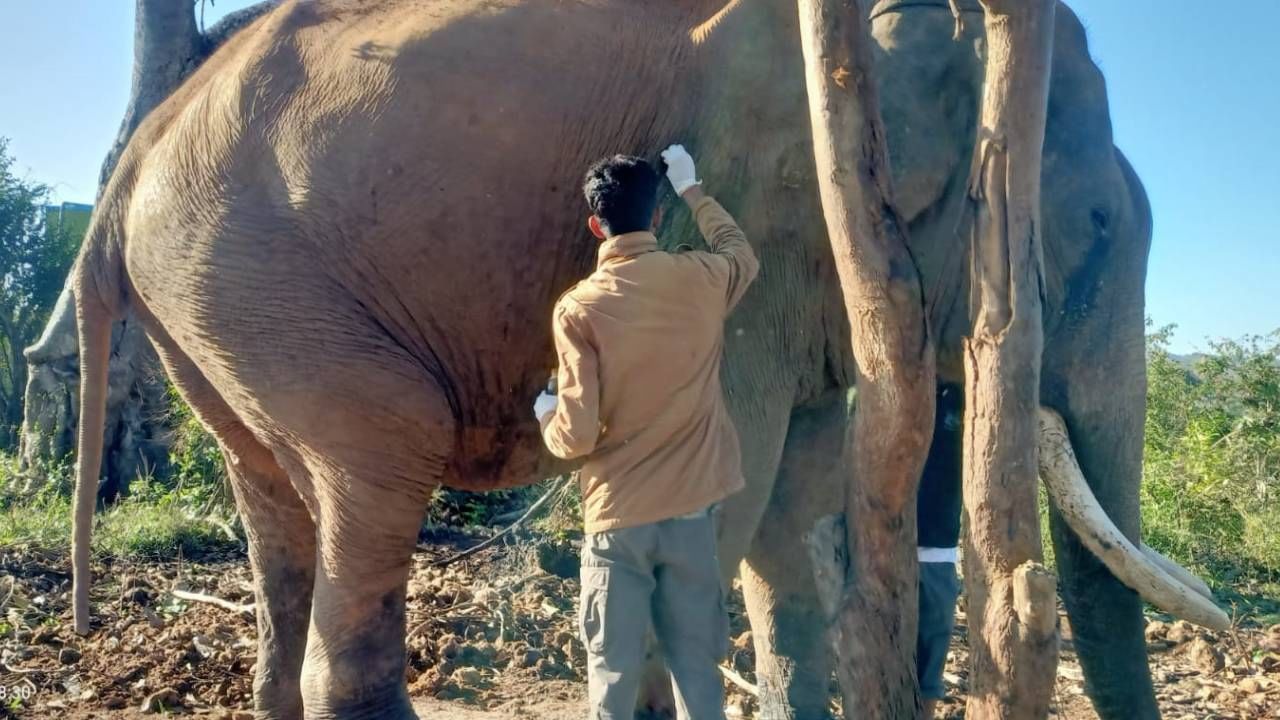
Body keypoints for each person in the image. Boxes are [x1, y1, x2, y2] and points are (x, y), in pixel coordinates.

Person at [533, 144, 758, 720]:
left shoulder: (578, 309)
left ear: (594, 223)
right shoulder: (703, 278)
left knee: (612, 682)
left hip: (618, 527)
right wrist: (694, 189)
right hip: (690, 523)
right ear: (657, 216)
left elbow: (576, 438)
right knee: (700, 683)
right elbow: (741, 255)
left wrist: (545, 419)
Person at [916, 384, 964, 717]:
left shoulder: (963, 396)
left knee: (930, 662)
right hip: (880, 552)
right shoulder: (882, 384)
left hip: (938, 553)